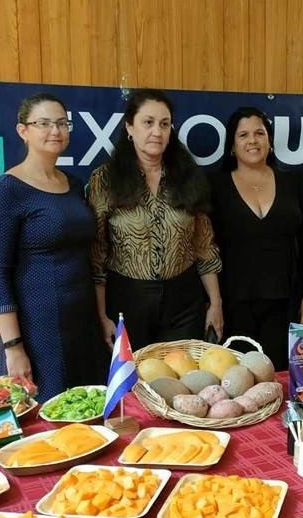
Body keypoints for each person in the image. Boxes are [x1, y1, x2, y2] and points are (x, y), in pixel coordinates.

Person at [0, 93, 107, 403]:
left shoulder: (75, 184)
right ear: (23, 130)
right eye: (44, 123)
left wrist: (101, 317)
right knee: (48, 422)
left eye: (62, 123)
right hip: (39, 329)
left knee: (91, 412)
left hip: (83, 321)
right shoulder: (6, 190)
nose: (56, 131)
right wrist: (14, 347)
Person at [87, 89, 223, 351]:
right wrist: (101, 315)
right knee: (134, 383)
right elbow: (97, 254)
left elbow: (204, 245)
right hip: (126, 299)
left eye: (164, 124)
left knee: (182, 382)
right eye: (147, 123)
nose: (157, 132)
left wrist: (215, 303)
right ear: (130, 127)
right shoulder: (105, 180)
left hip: (183, 301)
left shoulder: (188, 177)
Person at [209, 107, 303, 369]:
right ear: (232, 146)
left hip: (289, 303)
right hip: (234, 304)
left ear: (269, 141)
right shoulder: (214, 185)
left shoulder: (293, 182)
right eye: (243, 135)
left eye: (259, 133)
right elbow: (204, 247)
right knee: (239, 384)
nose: (253, 140)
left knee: (292, 379)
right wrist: (212, 302)